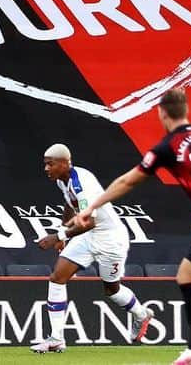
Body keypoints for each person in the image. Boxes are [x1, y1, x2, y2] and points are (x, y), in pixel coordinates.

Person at [74, 89, 191, 365]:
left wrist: (92, 207)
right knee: (185, 276)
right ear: (185, 111)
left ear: (161, 113)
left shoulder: (169, 146)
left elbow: (128, 181)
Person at [30, 143, 153, 354]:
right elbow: (70, 204)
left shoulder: (81, 183)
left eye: (50, 164)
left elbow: (89, 222)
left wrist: (57, 236)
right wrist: (63, 230)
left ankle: (141, 314)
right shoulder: (63, 180)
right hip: (87, 237)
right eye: (45, 164)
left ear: (63, 163)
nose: (46, 169)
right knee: (57, 278)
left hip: (109, 239)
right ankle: (56, 338)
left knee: (112, 290)